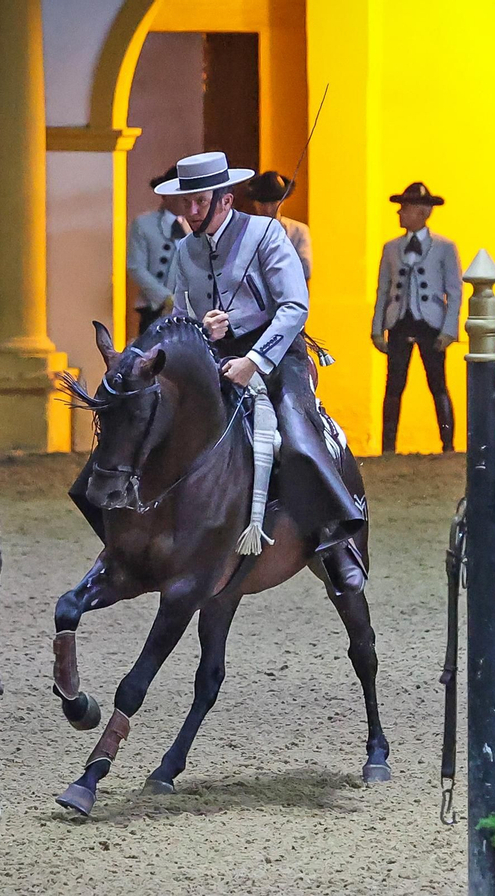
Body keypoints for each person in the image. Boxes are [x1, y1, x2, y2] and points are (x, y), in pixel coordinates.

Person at [156, 151, 365, 590]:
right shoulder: (183, 250)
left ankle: (334, 538)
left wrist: (254, 361)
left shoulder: (267, 234)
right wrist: (200, 326)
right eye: (186, 202)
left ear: (226, 201)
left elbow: (295, 306)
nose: (191, 212)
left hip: (276, 356)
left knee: (295, 432)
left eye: (200, 202)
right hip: (216, 357)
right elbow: (178, 315)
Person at [371, 182, 462, 454]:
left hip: (430, 323)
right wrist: (377, 328)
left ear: (422, 213)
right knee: (394, 385)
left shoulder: (444, 247)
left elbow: (455, 291)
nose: (400, 214)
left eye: (406, 209)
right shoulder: (391, 248)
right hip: (399, 321)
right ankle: (388, 447)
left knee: (438, 384)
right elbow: (383, 289)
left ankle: (448, 445)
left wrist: (449, 330)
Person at [126, 166, 192, 333]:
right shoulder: (144, 224)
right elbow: (135, 266)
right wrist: (164, 297)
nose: (185, 199)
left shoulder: (197, 225)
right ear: (165, 195)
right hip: (154, 308)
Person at [245, 171, 312, 282]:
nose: (267, 209)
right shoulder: (245, 231)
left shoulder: (299, 231)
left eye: (273, 203)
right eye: (262, 204)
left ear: (282, 202)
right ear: (255, 203)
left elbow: (306, 270)